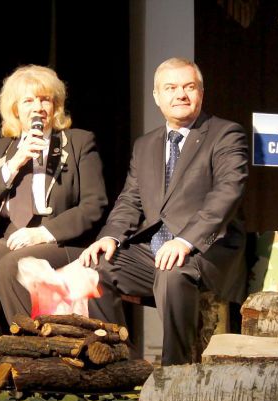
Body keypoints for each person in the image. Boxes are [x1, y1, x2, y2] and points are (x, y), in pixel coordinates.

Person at [80, 57, 249, 366]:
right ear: (157, 96)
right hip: (155, 251)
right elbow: (130, 200)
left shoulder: (225, 133)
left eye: (189, 87)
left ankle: (175, 371)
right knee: (94, 269)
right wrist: (110, 236)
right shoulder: (145, 145)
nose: (180, 94)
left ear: (201, 93)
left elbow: (227, 193)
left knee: (173, 273)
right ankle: (120, 363)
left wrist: (186, 240)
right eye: (170, 88)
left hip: (207, 250)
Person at [0, 65, 108, 367]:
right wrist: (14, 163)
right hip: (14, 237)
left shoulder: (79, 142)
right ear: (15, 109)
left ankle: (32, 361)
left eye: (45, 99)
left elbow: (94, 205)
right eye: (28, 100)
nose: (38, 107)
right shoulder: (1, 149)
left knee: (11, 267)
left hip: (61, 240)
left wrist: (42, 233)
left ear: (56, 105)